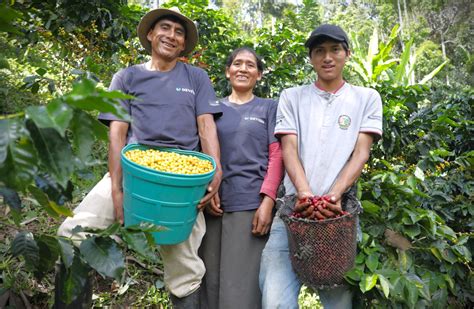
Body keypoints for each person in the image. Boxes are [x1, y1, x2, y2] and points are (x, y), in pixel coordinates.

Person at [55, 7, 222, 308]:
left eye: (179, 32)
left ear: (183, 45)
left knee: (184, 267)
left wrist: (215, 172)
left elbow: (206, 126)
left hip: (182, 177)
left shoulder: (196, 77)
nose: (171, 35)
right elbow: (117, 134)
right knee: (72, 233)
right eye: (165, 28)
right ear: (150, 34)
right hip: (135, 170)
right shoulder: (127, 76)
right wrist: (117, 188)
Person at [259, 24, 383, 308]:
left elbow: (361, 153)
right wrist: (304, 194)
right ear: (312, 58)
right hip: (292, 212)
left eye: (335, 50)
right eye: (319, 51)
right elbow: (288, 148)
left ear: (347, 54)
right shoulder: (292, 96)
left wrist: (333, 196)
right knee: (275, 300)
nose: (327, 57)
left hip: (339, 216)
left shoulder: (366, 98)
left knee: (339, 302)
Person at [199, 47, 284, 309]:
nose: (243, 69)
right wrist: (205, 189)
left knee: (242, 289)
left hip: (250, 205)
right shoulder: (211, 108)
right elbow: (200, 151)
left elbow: (277, 154)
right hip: (211, 205)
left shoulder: (268, 107)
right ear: (227, 71)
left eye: (250, 65)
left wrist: (268, 201)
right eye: (237, 63)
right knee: (209, 283)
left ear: (258, 74)